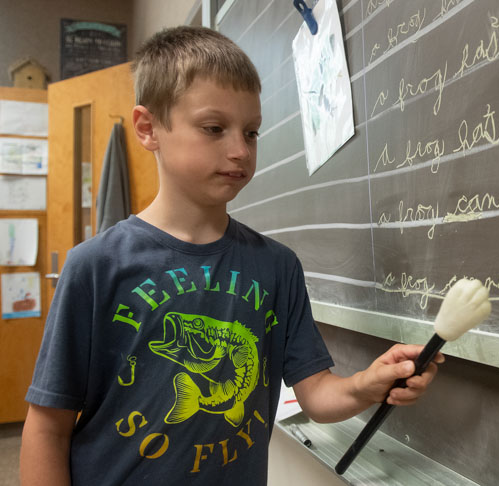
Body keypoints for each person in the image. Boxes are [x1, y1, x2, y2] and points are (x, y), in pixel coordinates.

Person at [20, 26, 444, 485]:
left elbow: (317, 395)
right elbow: (47, 427)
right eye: (214, 128)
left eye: (251, 131)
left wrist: (367, 383)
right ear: (148, 129)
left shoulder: (277, 267)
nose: (240, 150)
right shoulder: (94, 267)